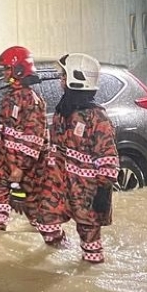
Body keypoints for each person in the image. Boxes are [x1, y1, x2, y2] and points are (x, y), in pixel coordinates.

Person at [34, 53, 119, 263]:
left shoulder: (97, 117)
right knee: (45, 222)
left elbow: (108, 157)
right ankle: (64, 252)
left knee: (90, 244)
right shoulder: (63, 111)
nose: (61, 80)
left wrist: (102, 191)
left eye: (64, 75)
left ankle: (90, 275)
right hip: (59, 184)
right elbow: (53, 146)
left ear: (76, 77)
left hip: (86, 191)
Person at [0, 45, 48, 232]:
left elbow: (34, 138)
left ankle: (55, 243)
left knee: (35, 213)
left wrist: (21, 167)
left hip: (27, 168)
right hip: (5, 164)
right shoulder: (10, 97)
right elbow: (4, 128)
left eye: (7, 69)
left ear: (19, 70)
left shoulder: (31, 100)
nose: (4, 73)